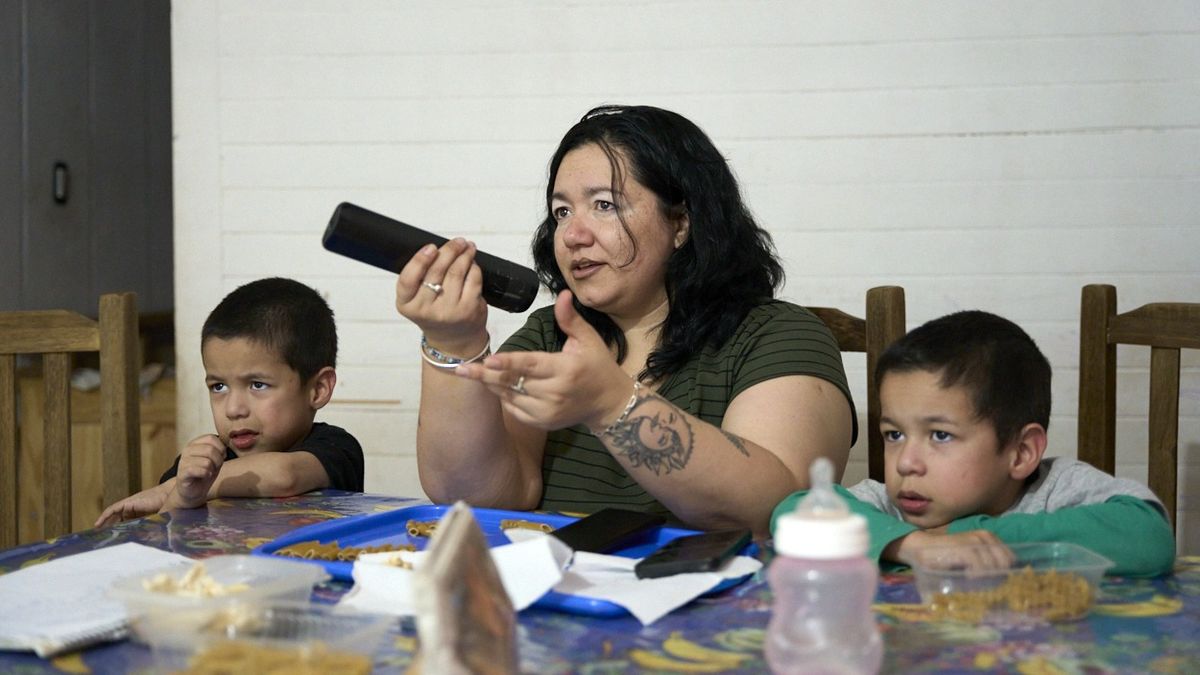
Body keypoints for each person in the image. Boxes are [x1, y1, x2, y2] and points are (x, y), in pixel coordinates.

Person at [394, 104, 856, 537]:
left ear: (681, 223)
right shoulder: (550, 333)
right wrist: (452, 342)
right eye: (561, 211)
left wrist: (611, 403)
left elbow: (774, 508)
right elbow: (474, 496)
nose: (573, 235)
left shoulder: (777, 335)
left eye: (604, 205)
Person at [771, 310, 1175, 577]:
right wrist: (911, 546)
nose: (906, 463)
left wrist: (970, 538)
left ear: (1021, 452)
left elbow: (1148, 536)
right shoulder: (889, 508)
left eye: (940, 435)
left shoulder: (1056, 490)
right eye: (894, 434)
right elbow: (791, 514)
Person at [95, 277, 364, 527]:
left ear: (317, 389)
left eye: (258, 385)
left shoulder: (336, 447)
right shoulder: (200, 463)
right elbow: (167, 537)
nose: (233, 409)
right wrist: (183, 495)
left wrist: (172, 488)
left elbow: (284, 475)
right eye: (219, 386)